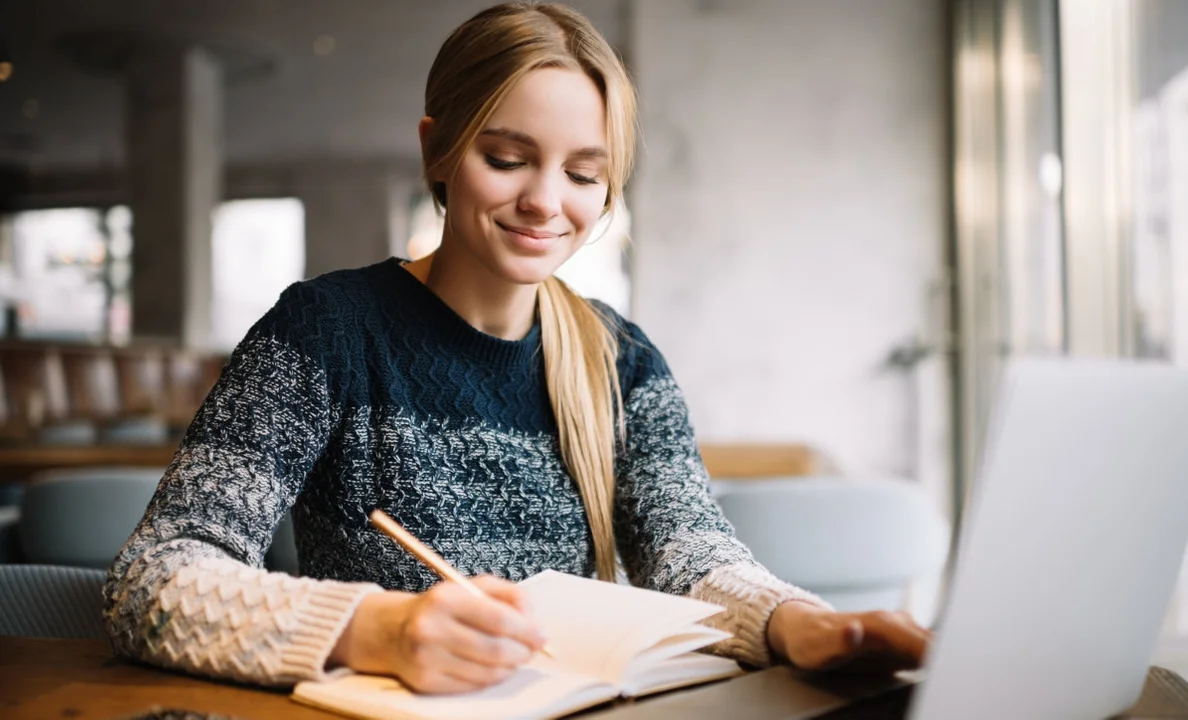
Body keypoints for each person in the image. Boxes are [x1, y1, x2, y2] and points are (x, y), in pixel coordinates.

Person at [104, 1, 930, 695]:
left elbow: (687, 549)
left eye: (583, 173)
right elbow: (154, 580)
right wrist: (374, 629)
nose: (544, 201)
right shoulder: (326, 330)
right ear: (438, 148)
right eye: (507, 158)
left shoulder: (621, 358)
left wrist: (798, 622)